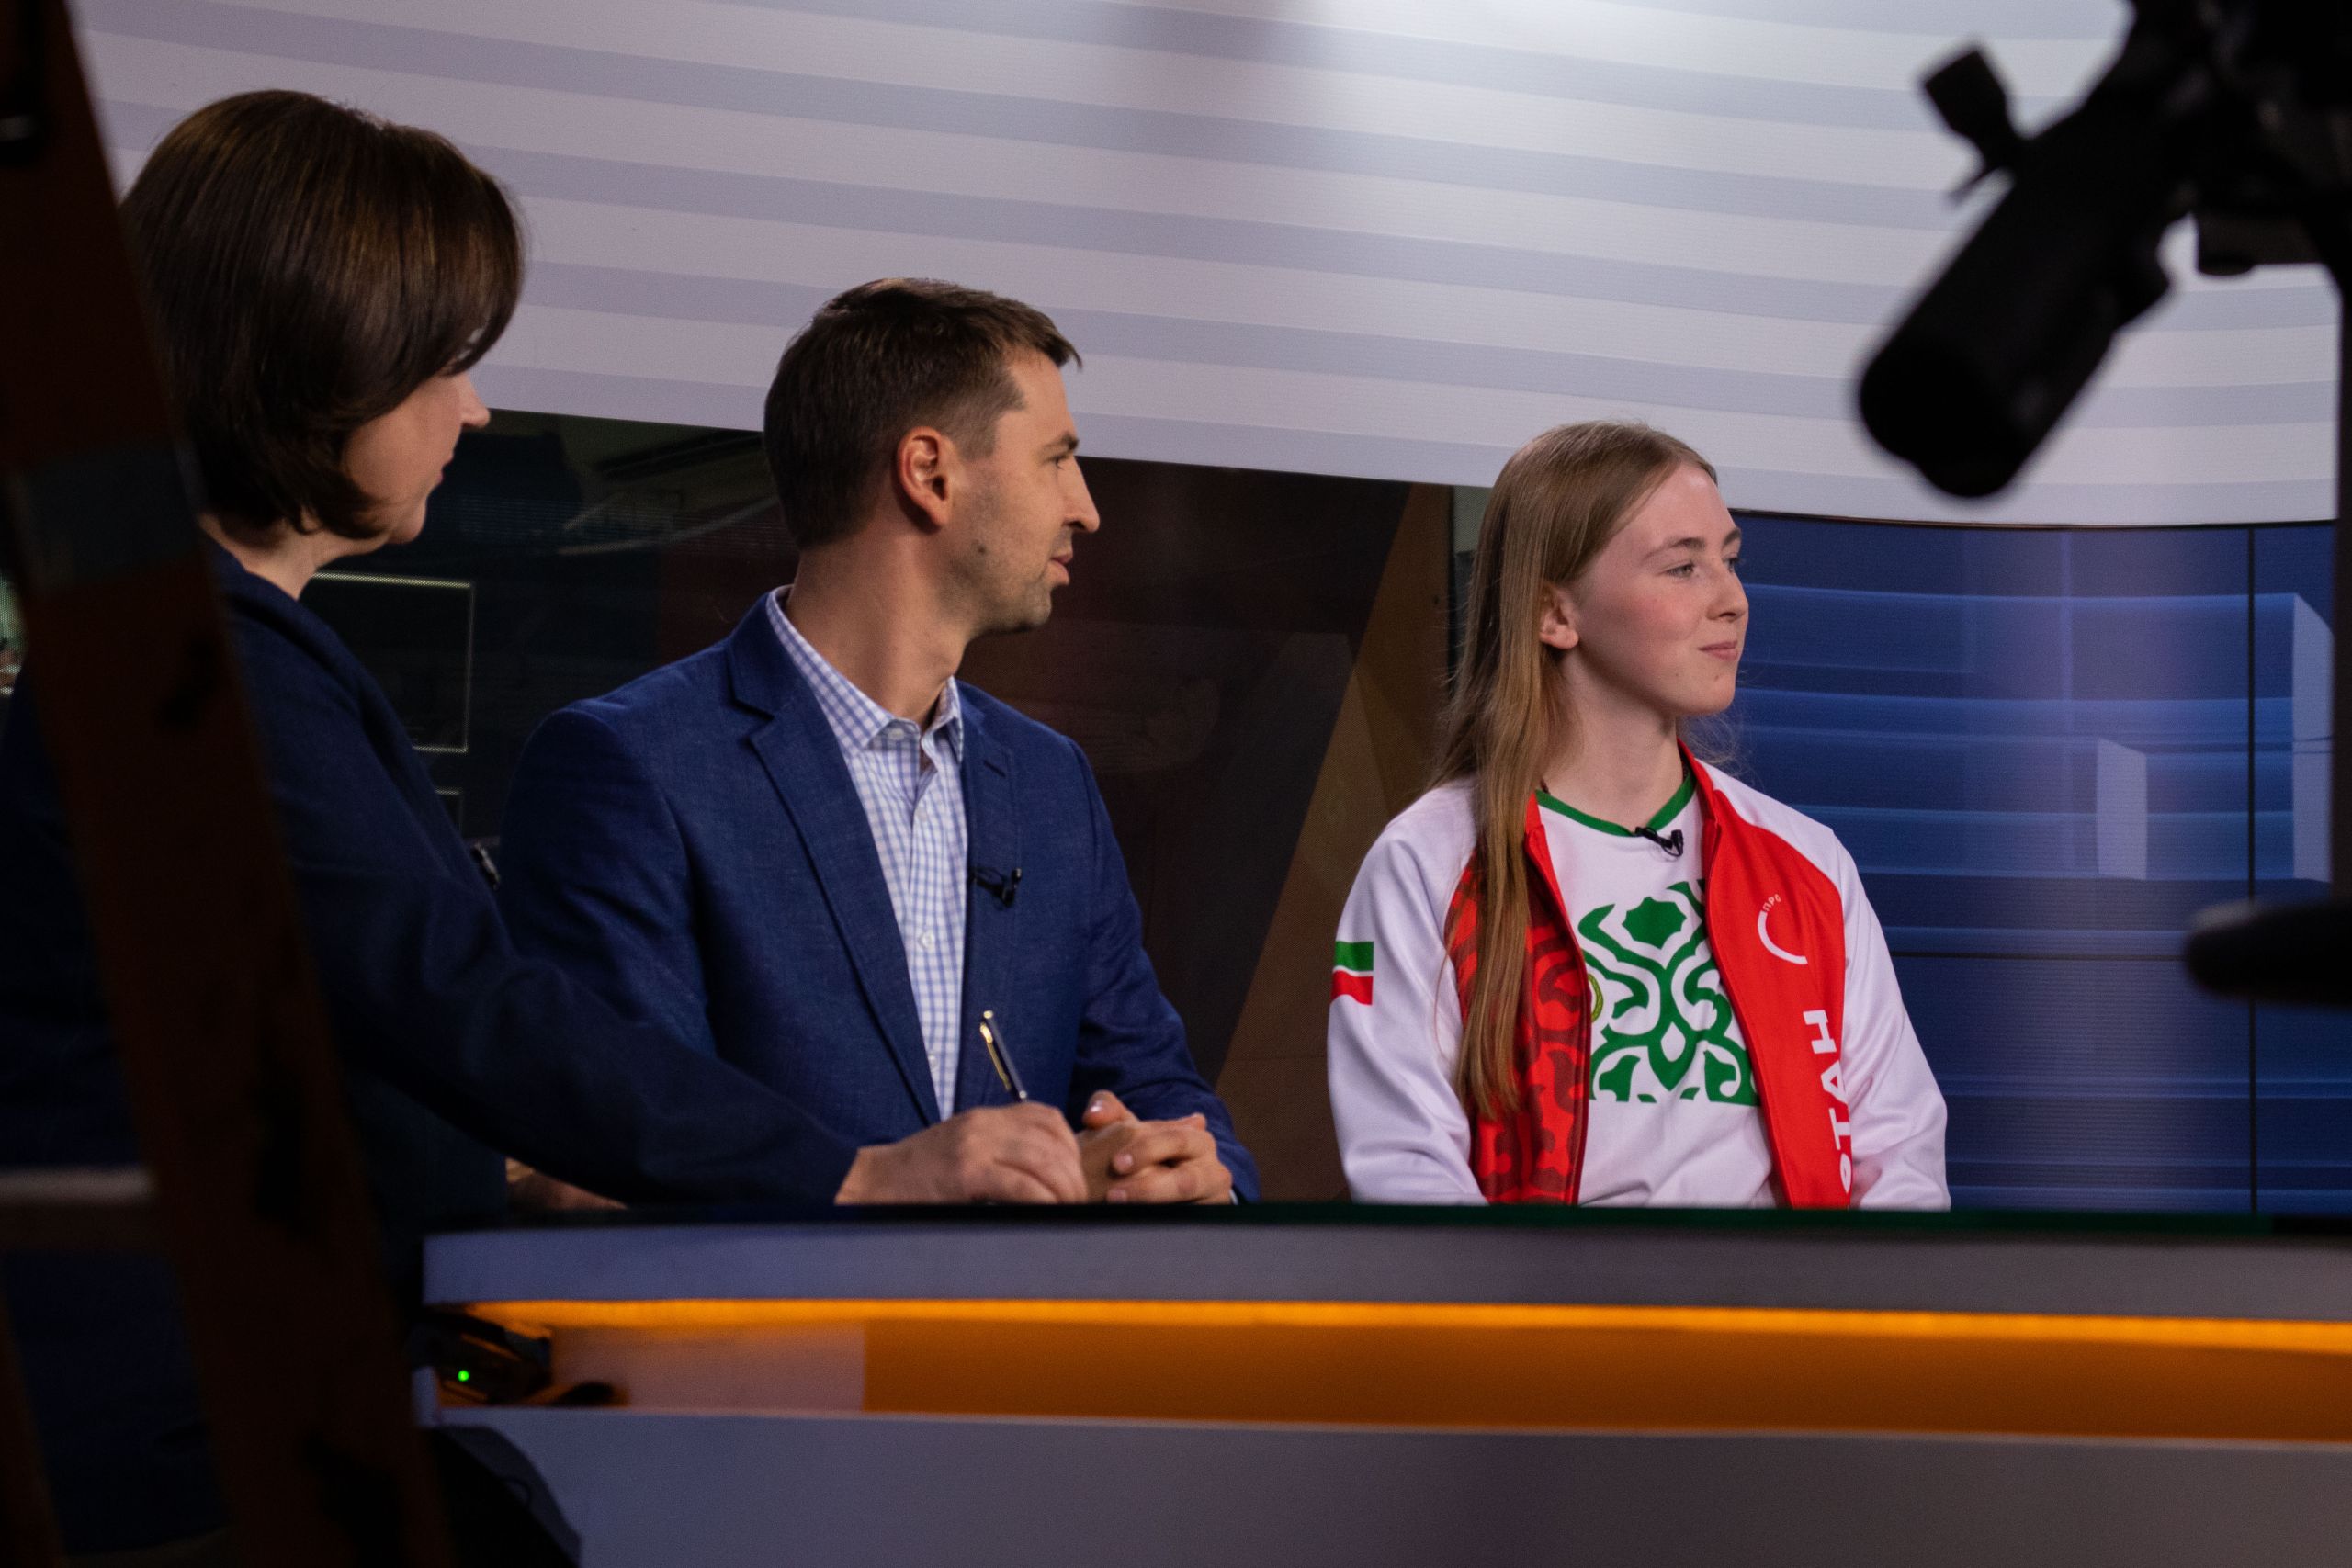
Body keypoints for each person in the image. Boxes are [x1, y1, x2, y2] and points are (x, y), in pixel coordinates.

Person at [0, 95, 1094, 1561]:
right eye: (446, 363)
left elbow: (334, 1027)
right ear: (322, 359)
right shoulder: (198, 667)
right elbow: (461, 1000)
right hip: (188, 1449)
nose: (475, 412)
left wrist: (508, 1168)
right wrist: (859, 1172)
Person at [496, 279, 1256, 1204]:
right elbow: (619, 1153)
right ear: (929, 473)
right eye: (1057, 459)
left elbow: (1160, 1090)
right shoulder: (630, 768)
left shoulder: (1048, 782)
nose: (1086, 508)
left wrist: (1185, 1175)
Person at [1328, 422, 1946, 1207]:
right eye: (1683, 566)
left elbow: (1902, 1164)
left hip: (1796, 1289)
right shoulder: (1426, 861)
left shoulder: (1808, 863)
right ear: (1555, 611)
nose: (1733, 601)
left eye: (1730, 560)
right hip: (1533, 1291)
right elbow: (1406, 1176)